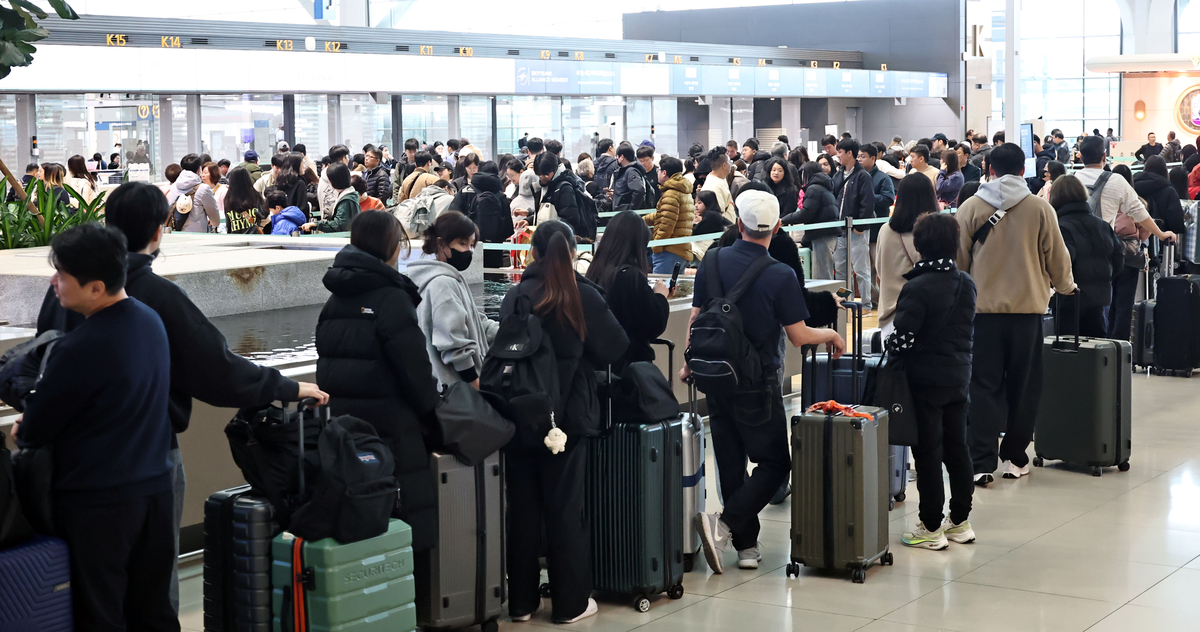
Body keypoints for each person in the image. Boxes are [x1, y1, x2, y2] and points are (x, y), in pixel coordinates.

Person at [34, 184, 326, 616]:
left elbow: (43, 367)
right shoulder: (154, 307)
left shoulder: (68, 292)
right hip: (147, 463)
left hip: (77, 471)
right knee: (152, 590)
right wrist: (286, 387)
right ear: (159, 230)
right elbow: (217, 370)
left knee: (95, 595)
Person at [18, 224, 179, 632]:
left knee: (101, 613)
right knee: (154, 609)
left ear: (95, 287)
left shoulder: (81, 347)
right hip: (155, 489)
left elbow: (35, 429)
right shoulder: (150, 322)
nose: (54, 283)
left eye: (63, 275)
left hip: (100, 503)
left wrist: (26, 423)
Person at [687, 187, 846, 574]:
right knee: (775, 463)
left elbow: (696, 321)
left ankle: (746, 548)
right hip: (758, 382)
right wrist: (832, 335)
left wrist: (691, 364)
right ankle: (723, 526)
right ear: (776, 228)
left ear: (738, 223)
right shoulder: (780, 274)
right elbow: (799, 336)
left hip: (715, 377)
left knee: (729, 461)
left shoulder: (711, 262)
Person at [501, 220, 628, 624]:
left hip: (519, 412)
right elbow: (615, 346)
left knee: (521, 508)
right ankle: (570, 604)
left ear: (533, 253)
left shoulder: (516, 294)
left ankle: (521, 603)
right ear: (572, 252)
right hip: (565, 417)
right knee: (564, 508)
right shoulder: (579, 294)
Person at [316, 211, 440, 555]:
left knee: (364, 521)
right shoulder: (392, 299)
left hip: (347, 431)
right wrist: (434, 413)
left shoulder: (333, 299)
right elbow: (416, 372)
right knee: (404, 524)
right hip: (394, 432)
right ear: (390, 246)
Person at [957, 143, 1077, 486]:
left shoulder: (970, 208)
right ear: (1023, 170)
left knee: (982, 385)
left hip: (982, 314)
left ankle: (980, 460)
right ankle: (1014, 456)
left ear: (989, 170)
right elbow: (1057, 257)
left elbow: (959, 263)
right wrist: (1066, 286)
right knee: (1024, 386)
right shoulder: (1040, 208)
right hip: (1027, 313)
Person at [888, 213, 978, 551]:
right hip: (959, 376)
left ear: (919, 245)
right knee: (958, 448)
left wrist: (891, 345)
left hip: (925, 382)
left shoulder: (917, 286)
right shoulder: (965, 283)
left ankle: (930, 525)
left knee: (927, 451)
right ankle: (961, 521)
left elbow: (904, 340)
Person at [1073, 136, 1176, 340]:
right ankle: (1107, 357)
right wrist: (1161, 233)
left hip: (1074, 254)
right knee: (1105, 305)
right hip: (1104, 253)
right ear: (1104, 156)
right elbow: (1139, 211)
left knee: (1079, 310)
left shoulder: (1070, 181)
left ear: (1080, 156)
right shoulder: (1115, 181)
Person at [405, 211, 496, 388]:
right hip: (456, 389)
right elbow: (453, 343)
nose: (468, 251)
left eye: (471, 245)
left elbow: (474, 321)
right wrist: (474, 383)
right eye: (462, 244)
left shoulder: (446, 279)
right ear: (441, 243)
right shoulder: (443, 283)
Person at [586, 210, 670, 371]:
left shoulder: (596, 271)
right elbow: (652, 325)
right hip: (628, 367)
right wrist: (660, 296)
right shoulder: (631, 277)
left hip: (600, 366)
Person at [1048, 176, 1123, 338]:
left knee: (1069, 354)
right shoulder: (1102, 225)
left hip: (1069, 301)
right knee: (1096, 353)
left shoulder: (1060, 227)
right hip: (1100, 300)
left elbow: (1062, 263)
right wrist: (1104, 277)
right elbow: (1119, 256)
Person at [877, 173, 939, 331]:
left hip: (890, 317)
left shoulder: (886, 230)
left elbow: (879, 270)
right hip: (924, 317)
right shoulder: (934, 233)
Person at [831, 138, 876, 310]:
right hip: (840, 230)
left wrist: (859, 227)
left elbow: (867, 203)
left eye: (840, 152)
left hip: (856, 231)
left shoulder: (862, 176)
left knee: (861, 269)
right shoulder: (838, 175)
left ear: (850, 153)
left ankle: (865, 304)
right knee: (841, 269)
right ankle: (844, 300)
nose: (838, 156)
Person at [781, 162, 839, 280]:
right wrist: (805, 241)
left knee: (822, 275)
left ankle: (826, 298)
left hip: (822, 236)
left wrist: (784, 220)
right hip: (827, 235)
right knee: (824, 271)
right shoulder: (824, 187)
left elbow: (806, 213)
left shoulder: (813, 189)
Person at [641, 156, 694, 273]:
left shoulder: (671, 194)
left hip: (668, 251)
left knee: (661, 287)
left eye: (659, 170)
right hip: (680, 248)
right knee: (675, 289)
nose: (658, 173)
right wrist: (642, 220)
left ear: (664, 173)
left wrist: (657, 247)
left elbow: (666, 224)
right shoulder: (683, 191)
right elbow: (664, 215)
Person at [535, 152, 594, 239]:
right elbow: (547, 213)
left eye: (546, 174)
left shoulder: (564, 188)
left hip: (559, 241)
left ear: (555, 169)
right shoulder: (546, 186)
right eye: (539, 175)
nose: (542, 177)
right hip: (549, 239)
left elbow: (570, 219)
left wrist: (549, 230)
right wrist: (528, 220)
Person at [466, 161, 511, 268]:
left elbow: (456, 217)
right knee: (494, 279)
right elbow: (508, 228)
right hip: (495, 249)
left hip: (472, 246)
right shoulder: (502, 197)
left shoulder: (467, 192)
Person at [1134, 155, 1187, 236]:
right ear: (1165, 170)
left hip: (1135, 237)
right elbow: (1176, 222)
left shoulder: (1132, 186)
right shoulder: (1169, 191)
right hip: (1161, 238)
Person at [301, 163, 358, 233]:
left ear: (331, 182)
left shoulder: (346, 200)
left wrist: (316, 224)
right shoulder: (350, 194)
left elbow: (339, 225)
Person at [222, 166, 266, 234]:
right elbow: (263, 215)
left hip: (236, 239)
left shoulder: (228, 199)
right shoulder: (255, 196)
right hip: (255, 238)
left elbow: (228, 224)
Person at [692, 189, 730, 260]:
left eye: (699, 203)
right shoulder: (713, 214)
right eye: (695, 203)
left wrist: (695, 223)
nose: (696, 205)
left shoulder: (710, 215)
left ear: (708, 203)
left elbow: (696, 233)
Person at [701, 148, 736, 222]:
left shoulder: (720, 178)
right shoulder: (715, 186)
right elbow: (718, 215)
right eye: (730, 162)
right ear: (724, 165)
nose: (731, 165)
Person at [611, 144, 647, 211]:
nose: (616, 158)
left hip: (626, 214)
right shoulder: (626, 171)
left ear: (622, 157)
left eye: (617, 156)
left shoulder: (631, 172)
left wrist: (632, 208)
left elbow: (639, 190)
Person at [319, 144, 350, 218]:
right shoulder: (342, 172)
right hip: (339, 218)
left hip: (326, 217)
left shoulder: (325, 172)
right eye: (347, 157)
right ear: (343, 159)